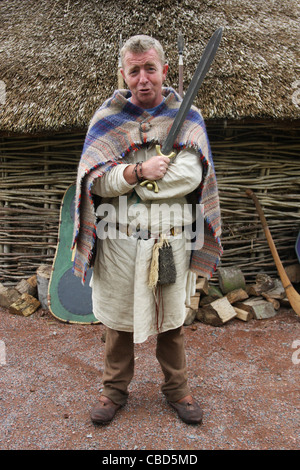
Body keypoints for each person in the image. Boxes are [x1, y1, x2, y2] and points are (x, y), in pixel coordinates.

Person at [72, 35, 222, 425]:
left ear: (163, 71)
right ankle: (113, 391)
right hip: (119, 242)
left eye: (150, 69)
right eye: (134, 70)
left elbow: (191, 176)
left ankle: (178, 390)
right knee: (117, 324)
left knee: (170, 323)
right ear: (123, 73)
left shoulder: (186, 117)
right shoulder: (107, 119)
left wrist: (137, 182)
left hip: (168, 244)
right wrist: (140, 170)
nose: (143, 79)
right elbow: (95, 183)